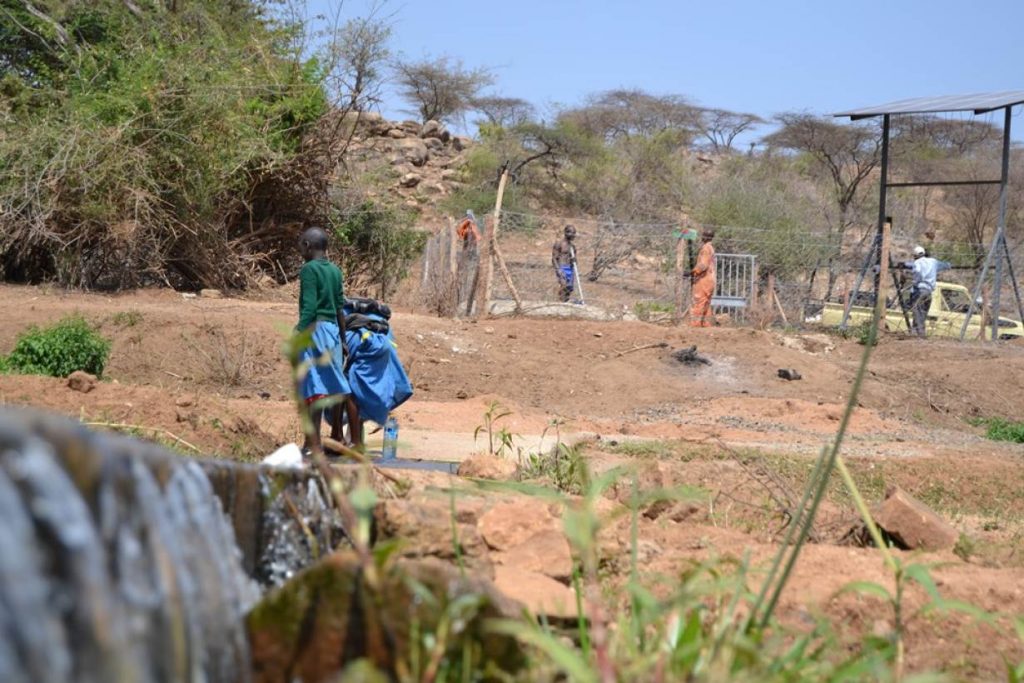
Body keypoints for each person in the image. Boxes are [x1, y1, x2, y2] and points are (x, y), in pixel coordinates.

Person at [294, 226, 350, 456]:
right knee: (334, 386)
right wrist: (343, 339)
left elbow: (309, 307)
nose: (300, 250)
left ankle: (312, 443)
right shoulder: (335, 271)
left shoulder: (309, 270)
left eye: (301, 246)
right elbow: (339, 308)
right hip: (333, 331)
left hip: (314, 330)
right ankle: (337, 436)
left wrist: (298, 332)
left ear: (307, 245)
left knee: (313, 387)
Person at [901, 245, 951, 338]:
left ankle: (919, 334)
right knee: (923, 312)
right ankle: (917, 333)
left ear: (915, 255)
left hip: (919, 290)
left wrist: (916, 281)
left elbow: (917, 271)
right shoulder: (933, 262)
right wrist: (949, 264)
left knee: (916, 312)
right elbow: (945, 265)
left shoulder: (917, 263)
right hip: (929, 292)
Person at [689, 228, 716, 327]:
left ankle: (695, 324)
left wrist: (693, 272)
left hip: (704, 279)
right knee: (706, 302)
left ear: (705, 237)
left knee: (699, 300)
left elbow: (703, 265)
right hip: (711, 279)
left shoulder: (705, 248)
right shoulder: (711, 248)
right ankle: (706, 323)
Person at [551, 224, 578, 302]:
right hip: (562, 267)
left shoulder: (573, 247)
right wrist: (558, 270)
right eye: (571, 233)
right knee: (564, 285)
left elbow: (575, 261)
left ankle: (565, 302)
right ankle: (560, 302)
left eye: (574, 233)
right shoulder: (559, 244)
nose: (573, 235)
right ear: (566, 232)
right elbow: (554, 258)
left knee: (569, 288)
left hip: (570, 268)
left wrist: (574, 260)